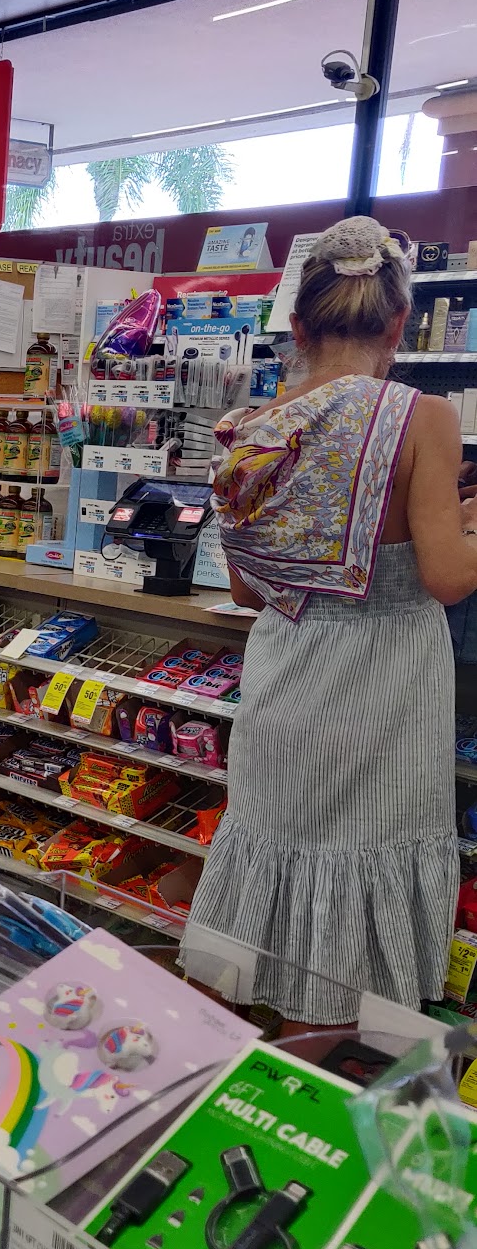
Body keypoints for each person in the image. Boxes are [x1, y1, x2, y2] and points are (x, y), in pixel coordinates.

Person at [188, 215, 477, 1021]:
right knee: (365, 866)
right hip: (385, 691)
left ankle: (259, 1049)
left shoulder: (251, 431)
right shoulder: (421, 417)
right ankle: (334, 1056)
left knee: (274, 857)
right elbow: (446, 575)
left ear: (299, 325)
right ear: (398, 322)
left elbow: (249, 592)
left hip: (286, 679)